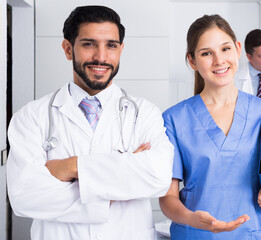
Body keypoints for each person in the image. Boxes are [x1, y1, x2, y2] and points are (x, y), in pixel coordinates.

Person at [6, 5, 174, 240]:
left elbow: (158, 177)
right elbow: (24, 197)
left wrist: (71, 167)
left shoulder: (143, 113)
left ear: (121, 49)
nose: (101, 57)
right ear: (68, 49)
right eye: (89, 44)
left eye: (111, 45)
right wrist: (123, 177)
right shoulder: (32, 117)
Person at [159, 15, 261, 239]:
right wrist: (193, 219)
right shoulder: (174, 119)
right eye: (206, 53)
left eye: (225, 48)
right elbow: (168, 198)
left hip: (253, 233)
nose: (219, 60)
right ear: (192, 60)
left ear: (238, 49)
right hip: (197, 234)